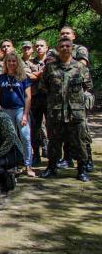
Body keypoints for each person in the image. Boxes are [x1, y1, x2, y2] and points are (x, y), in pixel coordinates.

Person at [40, 38, 93, 182]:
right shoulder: (50, 68)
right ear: (57, 49)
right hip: (55, 112)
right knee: (54, 142)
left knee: (79, 142)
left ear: (71, 48)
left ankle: (81, 170)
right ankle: (51, 168)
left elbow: (87, 86)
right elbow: (44, 86)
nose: (65, 48)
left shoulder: (81, 68)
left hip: (75, 113)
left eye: (67, 46)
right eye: (62, 46)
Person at [0, 52, 35, 177]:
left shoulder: (23, 77)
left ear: (17, 63)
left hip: (20, 110)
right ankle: (13, 164)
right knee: (10, 138)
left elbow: (28, 97)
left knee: (25, 137)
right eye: (9, 61)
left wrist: (25, 115)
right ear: (6, 63)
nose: (11, 63)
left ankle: (28, 165)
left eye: (14, 61)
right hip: (5, 111)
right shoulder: (1, 78)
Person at [29, 39, 48, 166]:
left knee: (52, 128)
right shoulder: (30, 62)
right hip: (35, 98)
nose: (39, 48)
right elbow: (28, 75)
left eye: (41, 46)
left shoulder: (52, 61)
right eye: (37, 46)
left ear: (47, 47)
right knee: (35, 128)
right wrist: (43, 73)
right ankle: (36, 155)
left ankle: (53, 156)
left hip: (49, 97)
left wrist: (36, 74)